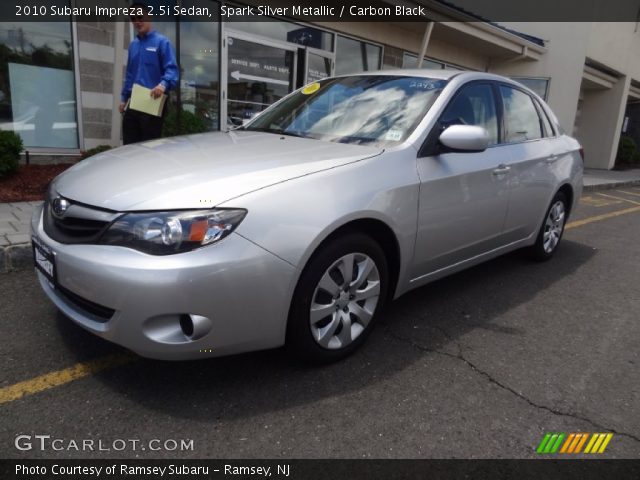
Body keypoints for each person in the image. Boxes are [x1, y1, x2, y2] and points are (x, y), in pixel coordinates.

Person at [120, 3, 179, 144]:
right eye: (133, 18)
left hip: (153, 101)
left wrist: (163, 85)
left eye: (140, 17)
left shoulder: (162, 42)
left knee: (148, 146)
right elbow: (130, 75)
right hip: (134, 101)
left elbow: (172, 70)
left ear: (149, 16)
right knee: (129, 145)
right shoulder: (133, 45)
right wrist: (123, 98)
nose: (137, 22)